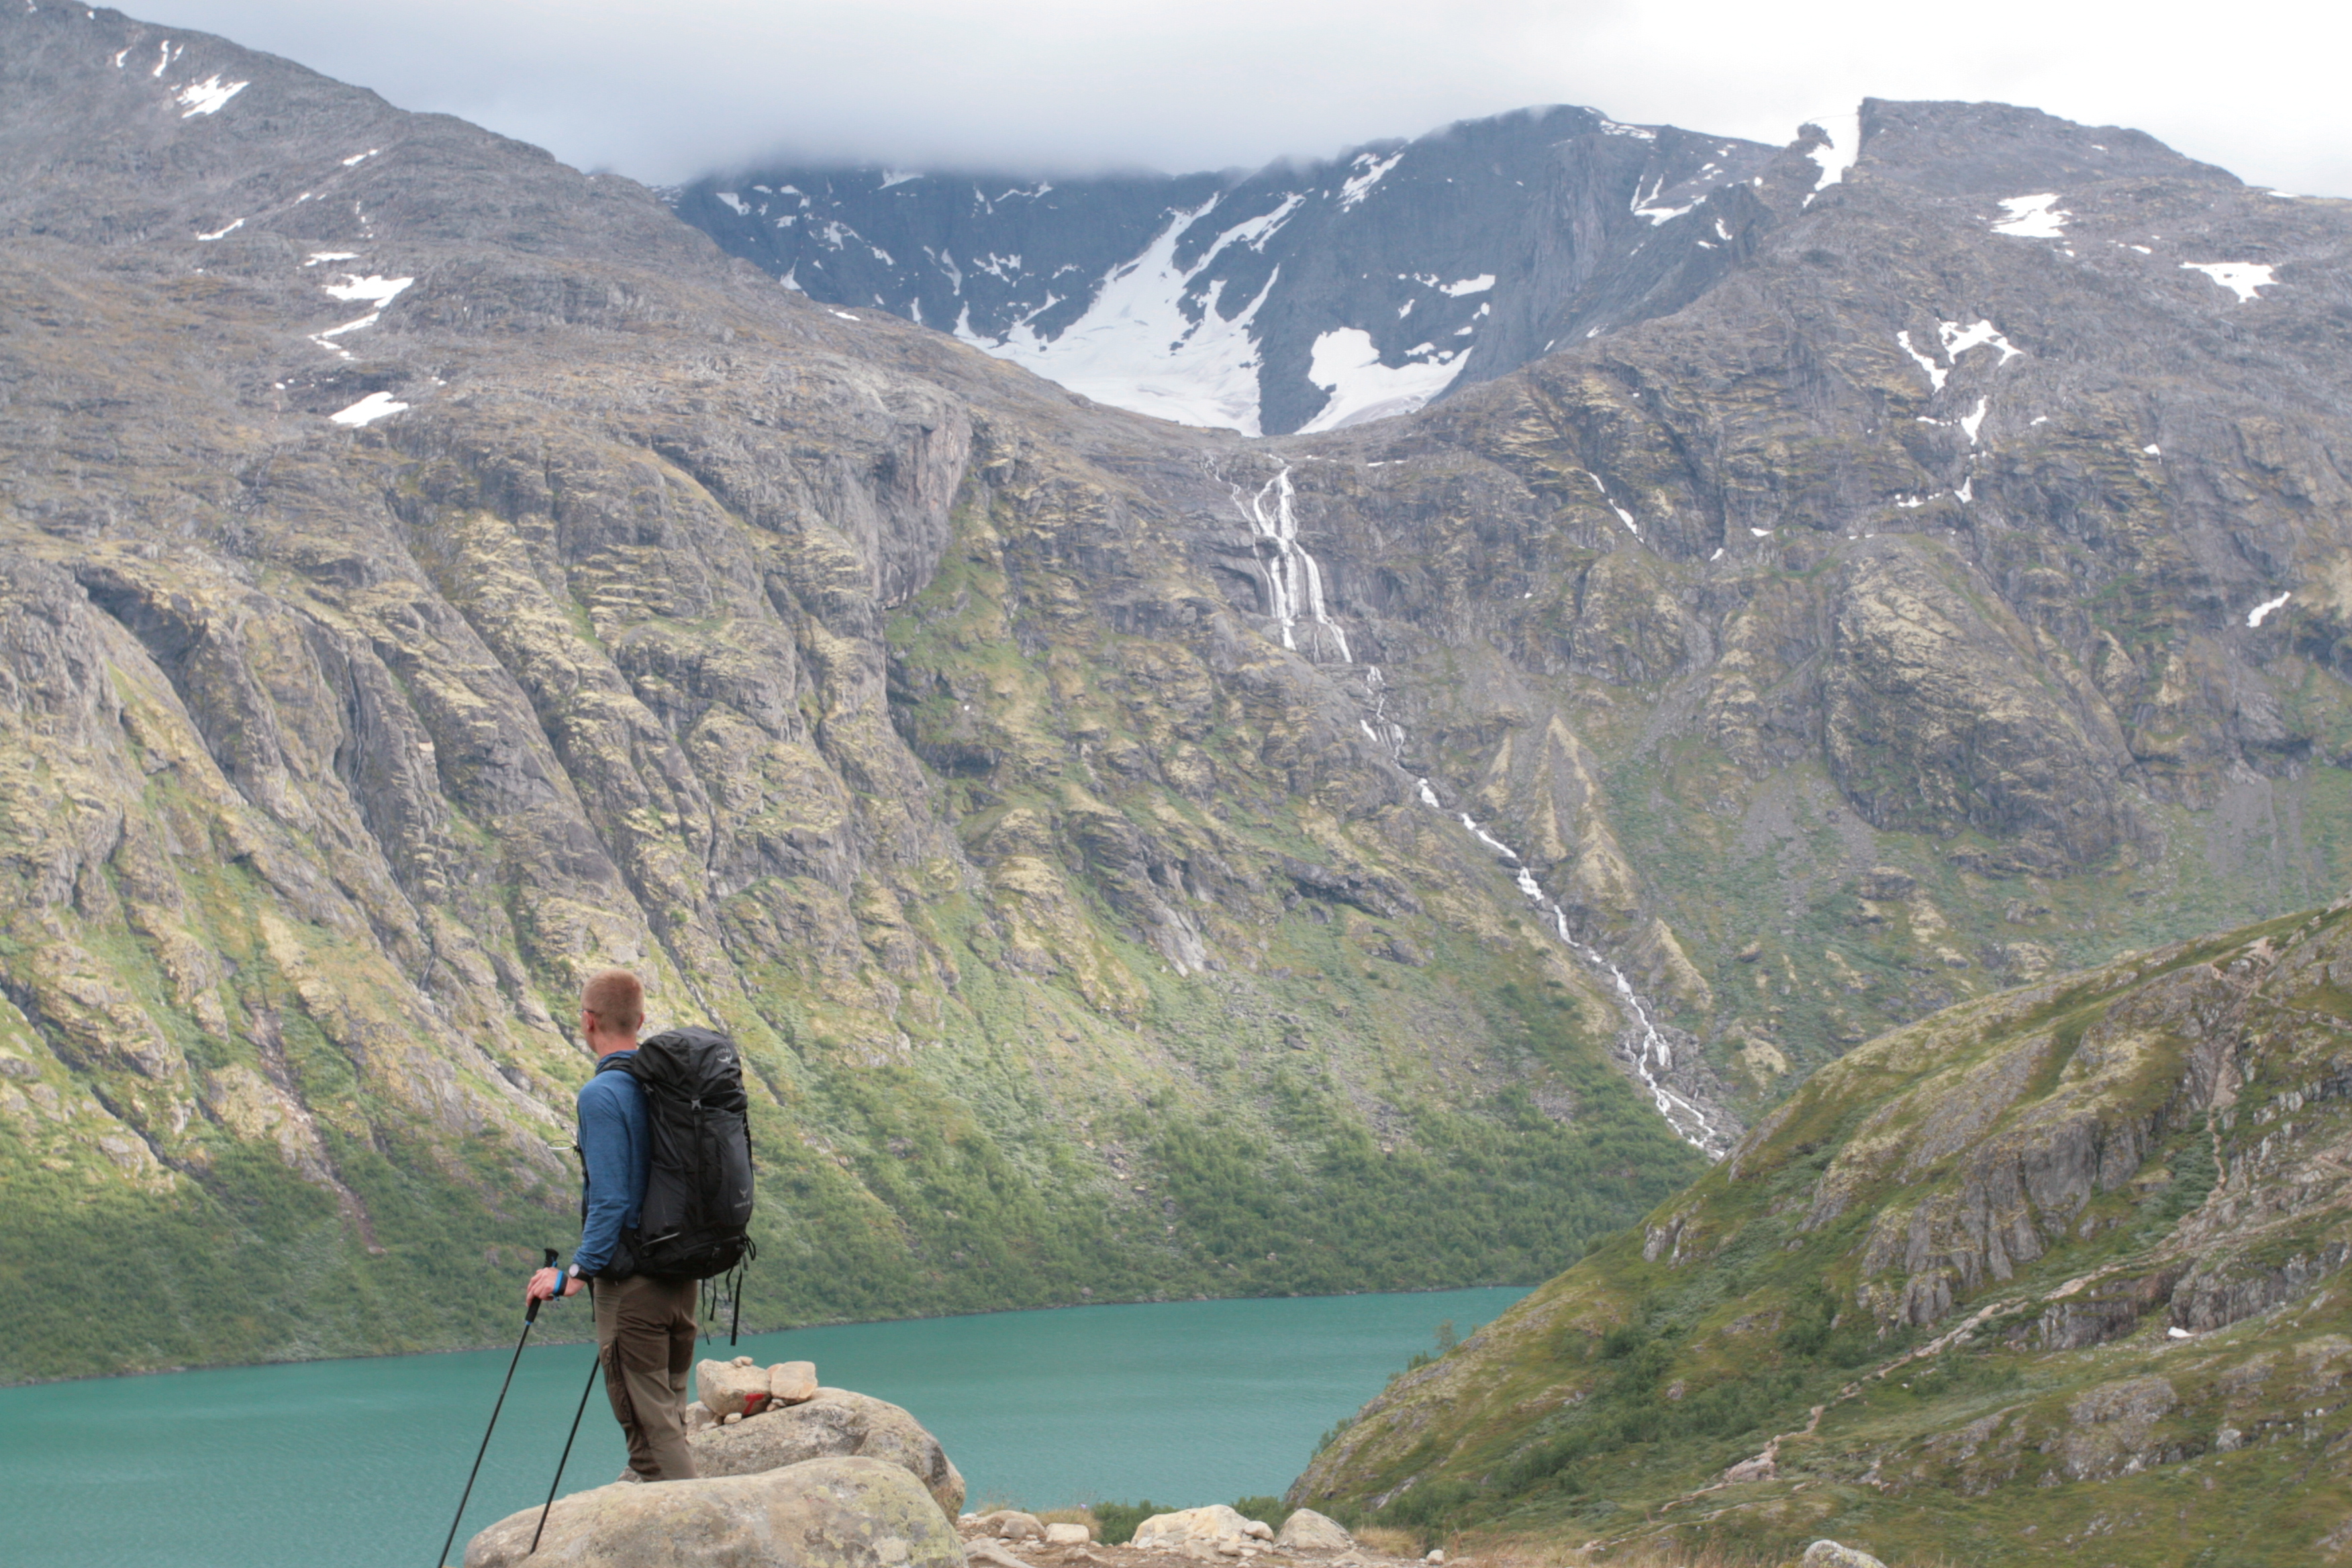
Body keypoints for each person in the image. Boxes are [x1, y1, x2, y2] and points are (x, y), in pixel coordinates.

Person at [528, 969, 701, 1483]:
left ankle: (698, 1544)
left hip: (631, 1290)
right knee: (668, 1411)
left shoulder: (602, 1094)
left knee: (653, 1431)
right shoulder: (668, 1087)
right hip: (681, 1276)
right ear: (641, 1020)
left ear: (587, 1022)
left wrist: (576, 1273)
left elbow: (610, 1199)